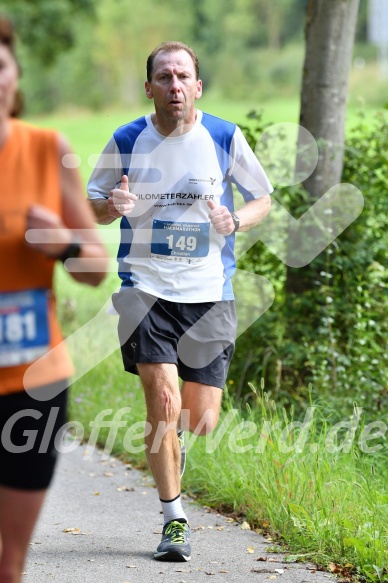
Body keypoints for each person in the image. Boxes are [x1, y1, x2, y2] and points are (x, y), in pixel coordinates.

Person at [88, 41, 272, 562]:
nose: (173, 86)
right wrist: (110, 205)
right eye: (163, 77)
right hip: (144, 287)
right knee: (162, 398)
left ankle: (177, 447)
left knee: (199, 418)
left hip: (210, 292)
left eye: (182, 76)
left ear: (197, 86)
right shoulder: (126, 140)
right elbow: (92, 203)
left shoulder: (223, 136)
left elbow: (262, 197)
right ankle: (174, 520)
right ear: (148, 87)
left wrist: (235, 220)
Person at [0, 16, 108, 583]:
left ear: (15, 77)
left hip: (30, 384)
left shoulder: (47, 150)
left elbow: (95, 267)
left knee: (8, 565)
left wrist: (62, 241)